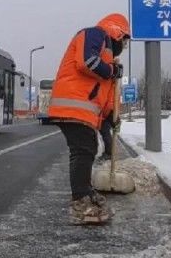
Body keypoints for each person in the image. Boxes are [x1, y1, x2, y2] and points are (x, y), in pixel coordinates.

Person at [48, 13, 130, 225]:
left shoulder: (109, 58)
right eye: (125, 40)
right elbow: (87, 61)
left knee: (87, 148)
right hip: (71, 106)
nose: (124, 45)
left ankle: (85, 191)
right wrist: (111, 70)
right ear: (117, 31)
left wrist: (113, 117)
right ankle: (80, 201)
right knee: (83, 149)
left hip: (82, 111)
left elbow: (106, 98)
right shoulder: (95, 34)